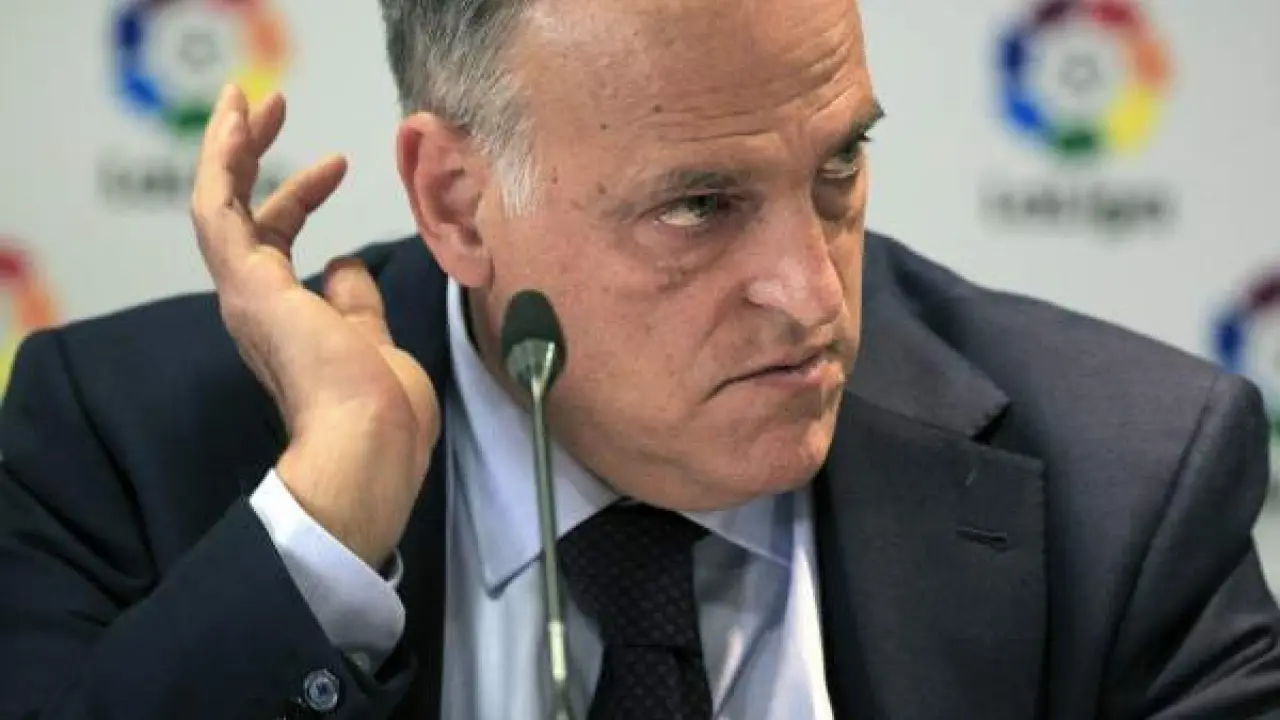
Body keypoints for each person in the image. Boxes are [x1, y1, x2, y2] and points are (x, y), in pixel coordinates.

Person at [2, 0, 1279, 717]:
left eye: (837, 165)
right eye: (699, 206)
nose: (811, 295)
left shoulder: (1131, 486)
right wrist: (322, 534)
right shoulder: (120, 448)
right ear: (456, 203)